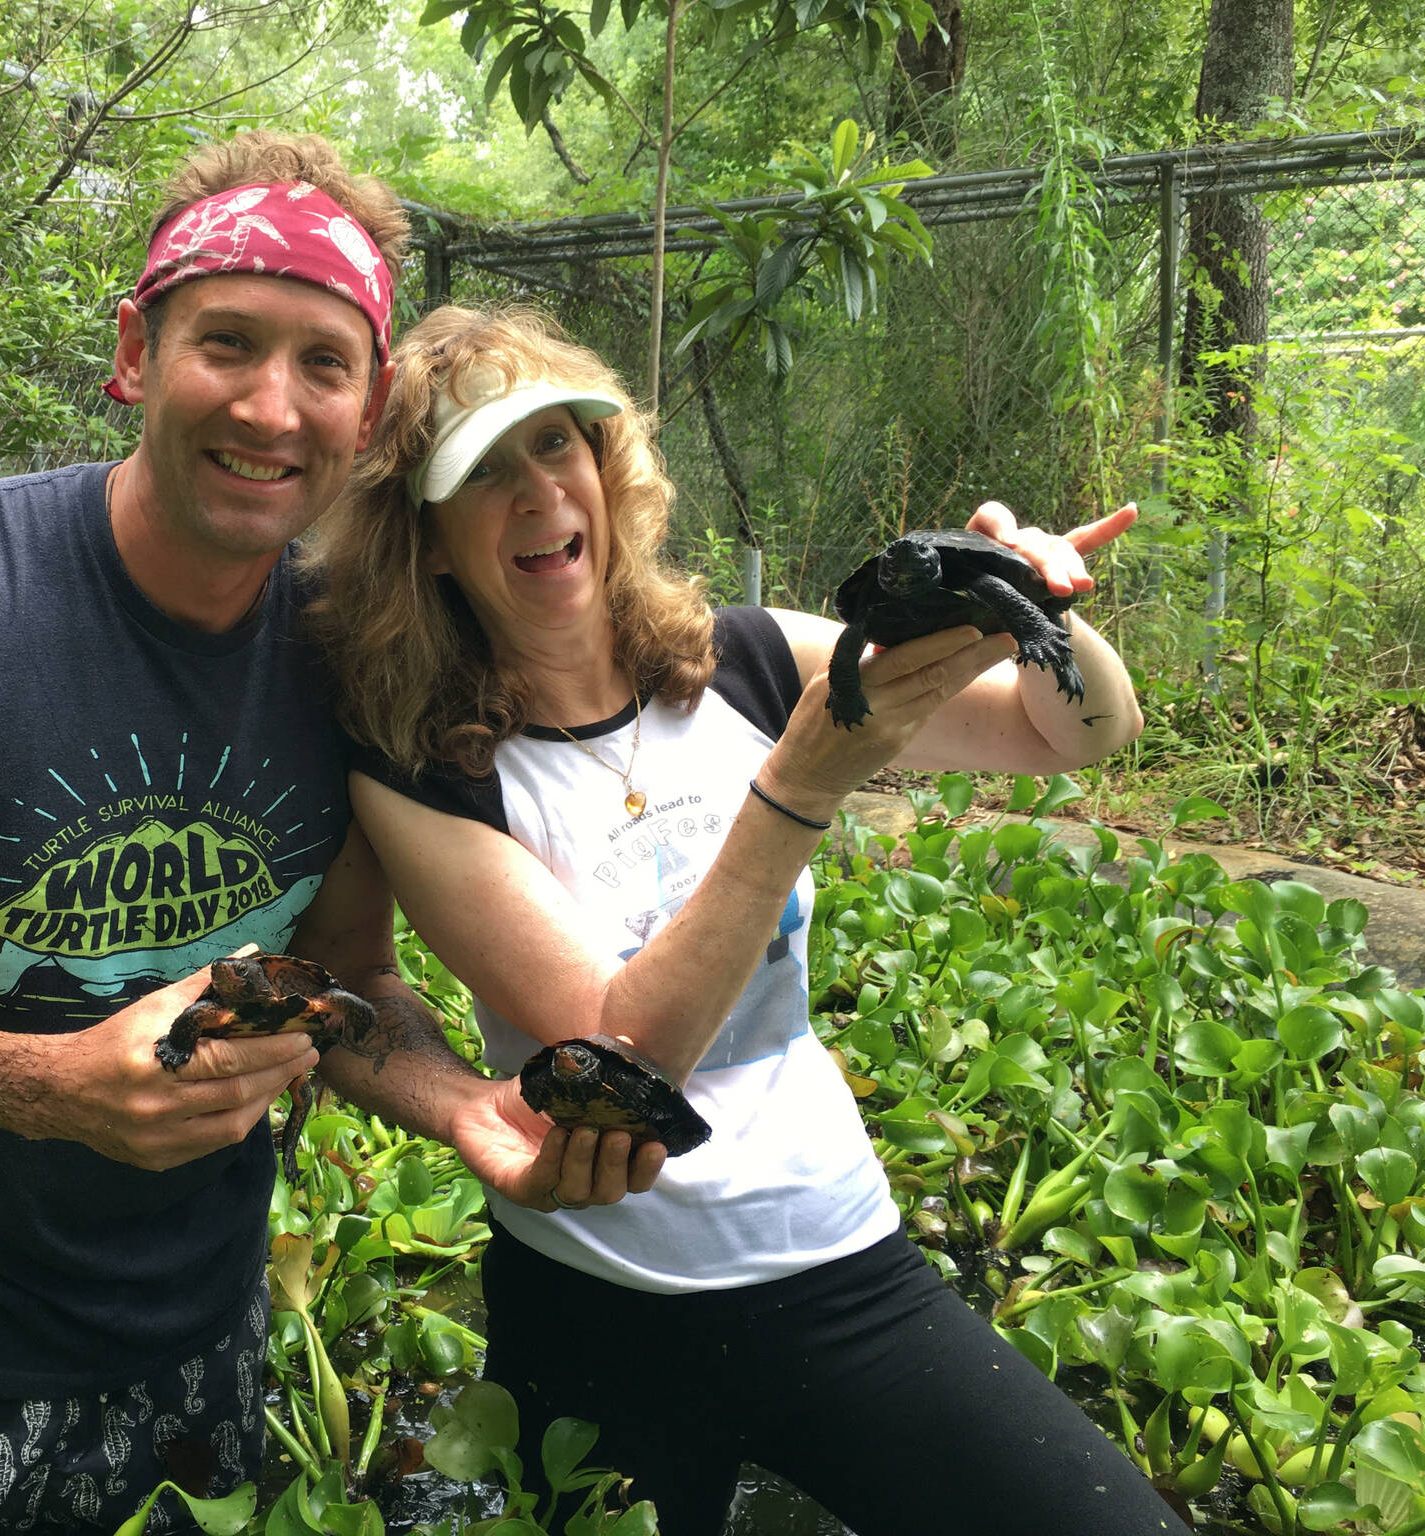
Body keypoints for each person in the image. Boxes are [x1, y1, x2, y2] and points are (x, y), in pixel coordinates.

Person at [0, 141, 655, 1536]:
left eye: (324, 363)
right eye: (228, 344)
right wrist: (49, 1085)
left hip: (201, 1327)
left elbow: (345, 981)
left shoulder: (348, 654)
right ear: (136, 352)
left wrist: (470, 1112)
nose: (271, 405)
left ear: (370, 409)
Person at [305, 304, 1185, 1535]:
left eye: (558, 446)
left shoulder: (751, 661)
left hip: (837, 1261)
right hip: (591, 1297)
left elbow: (1077, 732)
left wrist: (1036, 604)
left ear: (607, 476)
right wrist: (800, 786)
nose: (537, 491)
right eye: (485, 471)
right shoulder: (423, 768)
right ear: (431, 543)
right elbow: (621, 1052)